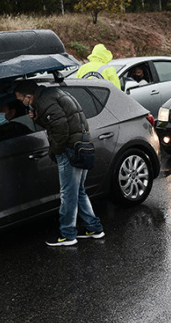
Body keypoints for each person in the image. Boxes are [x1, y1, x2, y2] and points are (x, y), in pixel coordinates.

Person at [15, 81, 104, 246]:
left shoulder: (44, 101)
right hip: (82, 146)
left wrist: (55, 151)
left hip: (70, 149)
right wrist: (38, 117)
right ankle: (94, 228)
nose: (22, 103)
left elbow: (61, 128)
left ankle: (68, 234)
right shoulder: (51, 94)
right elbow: (58, 121)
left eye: (21, 99)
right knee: (78, 191)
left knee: (68, 194)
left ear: (28, 96)